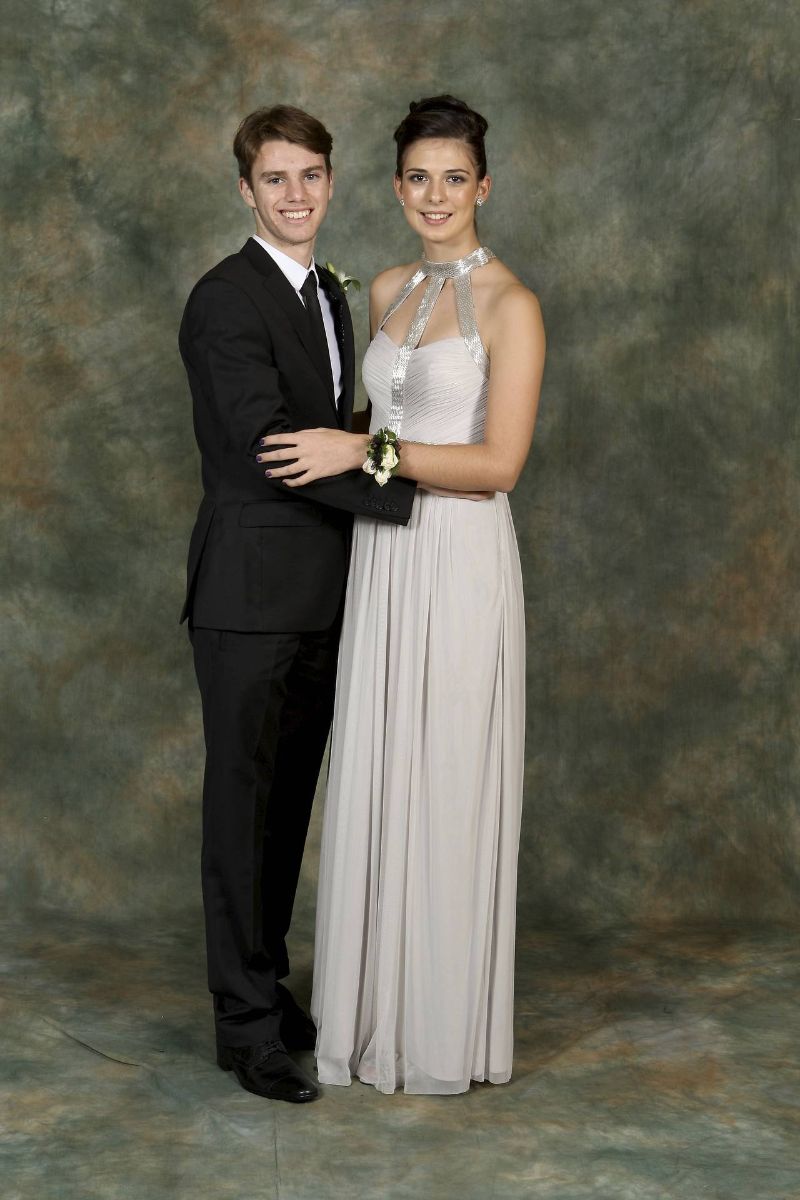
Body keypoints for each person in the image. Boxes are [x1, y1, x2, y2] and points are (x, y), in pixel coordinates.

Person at [258, 94, 546, 1094]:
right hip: (381, 558)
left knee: (447, 778)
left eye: (453, 178)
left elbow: (499, 464)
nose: (435, 195)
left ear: (483, 187)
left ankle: (438, 1033)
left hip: (459, 558)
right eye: (418, 178)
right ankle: (369, 1016)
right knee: (380, 772)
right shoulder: (382, 287)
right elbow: (352, 420)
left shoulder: (511, 305)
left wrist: (362, 449)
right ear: (394, 187)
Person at [178, 105, 416, 1104]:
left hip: (321, 592)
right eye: (274, 179)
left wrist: (379, 444)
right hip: (247, 595)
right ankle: (243, 1028)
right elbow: (278, 448)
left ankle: (265, 986)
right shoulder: (224, 300)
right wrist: (412, 482)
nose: (295, 195)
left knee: (285, 812)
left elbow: (335, 427)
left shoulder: (326, 291)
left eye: (310, 175)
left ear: (330, 181)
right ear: (246, 190)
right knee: (242, 812)